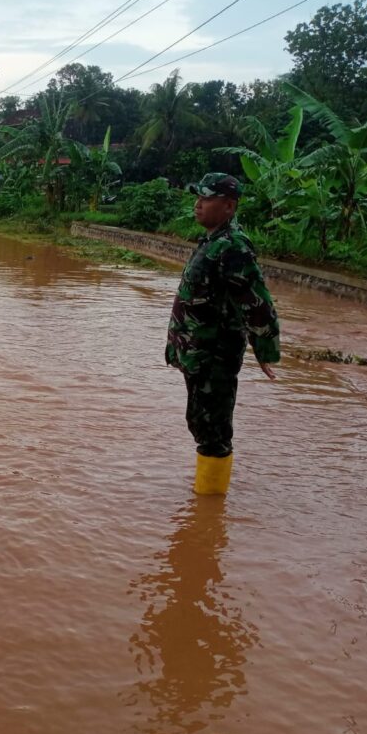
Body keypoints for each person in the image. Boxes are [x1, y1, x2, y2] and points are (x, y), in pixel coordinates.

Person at [165, 173, 280, 496]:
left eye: (207, 199)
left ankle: (209, 510)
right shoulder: (213, 241)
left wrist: (265, 348)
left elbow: (256, 301)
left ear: (228, 206)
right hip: (198, 353)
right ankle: (204, 511)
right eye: (198, 197)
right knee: (201, 423)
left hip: (215, 356)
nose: (198, 204)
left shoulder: (233, 246)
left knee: (213, 431)